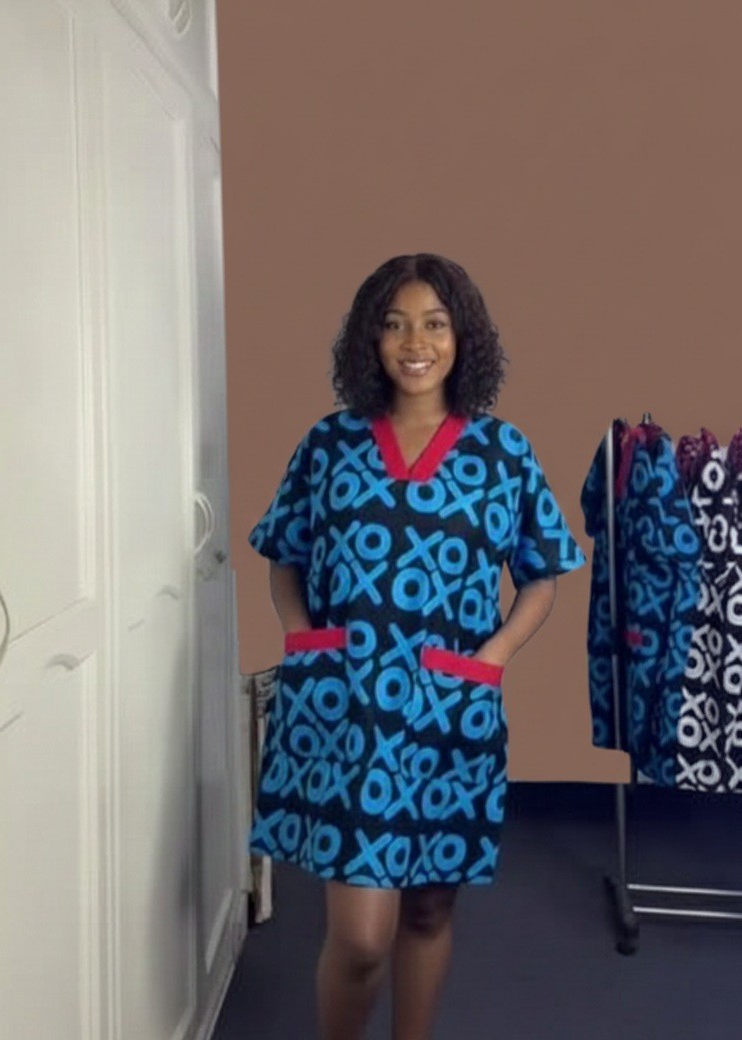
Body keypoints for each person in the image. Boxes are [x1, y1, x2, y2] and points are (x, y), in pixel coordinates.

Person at [247, 253, 586, 1040]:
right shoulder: (329, 444)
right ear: (369, 339)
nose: (415, 343)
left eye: (434, 324)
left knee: (429, 908)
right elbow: (283, 554)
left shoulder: (503, 454)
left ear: (463, 338)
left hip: (450, 712)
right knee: (362, 937)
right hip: (348, 709)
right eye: (394, 324)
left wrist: (493, 658)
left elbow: (542, 575)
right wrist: (302, 639)